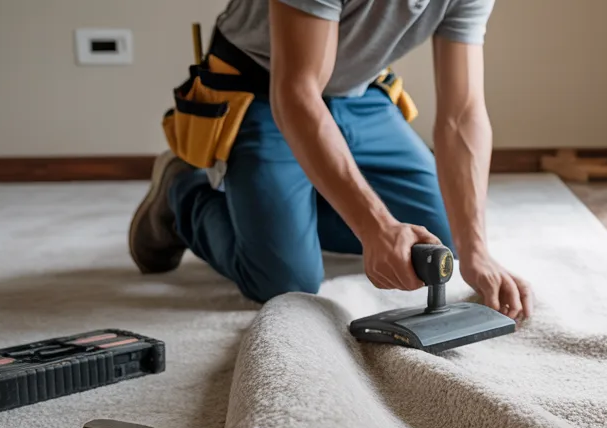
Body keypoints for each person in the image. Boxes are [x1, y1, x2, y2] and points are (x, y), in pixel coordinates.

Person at [127, 0, 531, 319]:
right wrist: (377, 227)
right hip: (265, 88)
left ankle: (300, 199)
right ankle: (184, 191)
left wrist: (476, 249)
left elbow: (462, 114)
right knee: (286, 280)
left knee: (444, 234)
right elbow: (297, 93)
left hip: (360, 93)